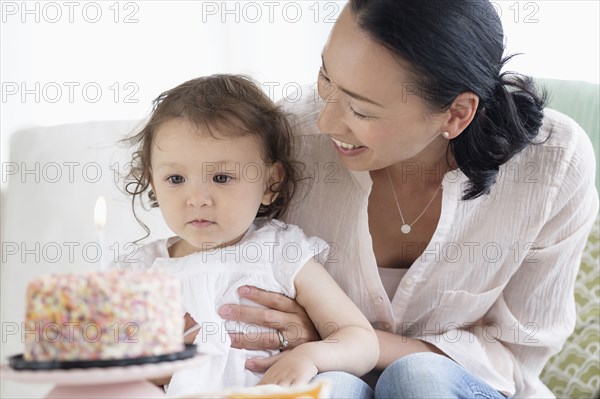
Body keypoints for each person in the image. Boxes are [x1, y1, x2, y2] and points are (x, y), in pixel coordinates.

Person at [216, 1, 600, 398]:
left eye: (361, 110)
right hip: (321, 375)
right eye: (326, 79)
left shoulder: (553, 165)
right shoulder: (284, 144)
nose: (325, 121)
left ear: (456, 114)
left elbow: (515, 353)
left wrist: (344, 339)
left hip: (461, 388)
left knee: (419, 378)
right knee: (329, 388)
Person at [112, 74, 379, 396]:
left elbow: (360, 339)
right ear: (152, 182)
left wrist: (310, 355)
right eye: (176, 178)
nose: (197, 198)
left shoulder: (280, 252)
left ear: (270, 183)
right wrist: (145, 366)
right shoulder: (141, 269)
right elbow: (105, 362)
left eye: (222, 177)